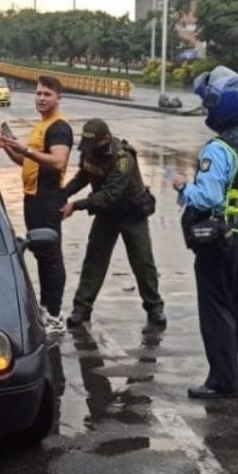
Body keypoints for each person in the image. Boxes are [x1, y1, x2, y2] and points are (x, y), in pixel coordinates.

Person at [172, 66, 238, 401]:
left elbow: (209, 197)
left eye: (211, 103)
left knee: (217, 309)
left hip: (220, 238)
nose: (208, 109)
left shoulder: (219, 148)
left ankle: (223, 381)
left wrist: (183, 186)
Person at [60, 118, 166, 328]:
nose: (90, 151)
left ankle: (154, 307)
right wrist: (61, 194)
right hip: (106, 214)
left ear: (106, 139)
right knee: (94, 260)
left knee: (143, 262)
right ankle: (81, 309)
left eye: (94, 145)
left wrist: (76, 205)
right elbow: (83, 176)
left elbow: (110, 195)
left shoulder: (123, 158)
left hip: (131, 212)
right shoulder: (89, 151)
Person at [0, 75, 73, 336]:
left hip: (48, 200)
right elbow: (26, 162)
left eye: (47, 94)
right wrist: (9, 147)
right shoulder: (41, 126)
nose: (41, 98)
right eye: (38, 94)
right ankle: (46, 307)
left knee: (51, 257)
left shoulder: (59, 127)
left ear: (58, 98)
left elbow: (59, 162)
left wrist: (25, 150)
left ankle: (55, 313)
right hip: (32, 199)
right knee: (40, 254)